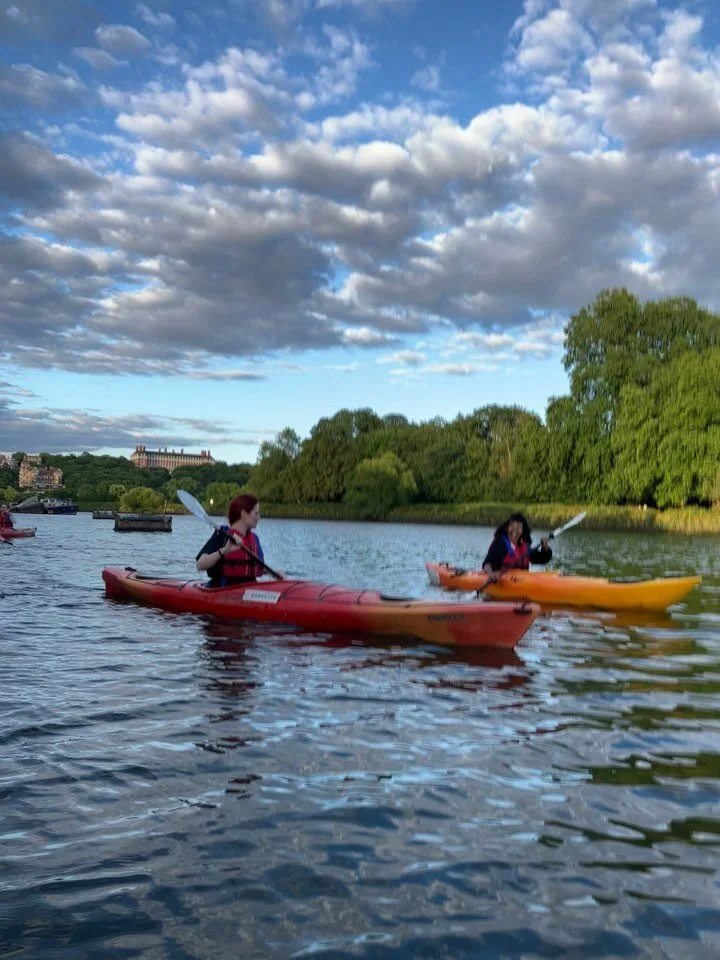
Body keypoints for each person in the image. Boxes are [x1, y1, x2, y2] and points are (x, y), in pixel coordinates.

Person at [196, 493, 267, 587]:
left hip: (250, 589)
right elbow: (200, 565)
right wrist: (224, 550)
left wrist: (275, 573)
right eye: (256, 513)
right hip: (223, 589)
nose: (259, 517)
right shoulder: (222, 535)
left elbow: (256, 566)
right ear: (244, 514)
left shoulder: (254, 539)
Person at [482, 512, 552, 582]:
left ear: (522, 531)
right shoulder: (500, 544)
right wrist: (490, 574)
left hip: (521, 583)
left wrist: (545, 547)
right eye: (512, 526)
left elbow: (543, 559)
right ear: (507, 528)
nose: (515, 530)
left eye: (519, 527)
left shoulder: (524, 546)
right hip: (500, 582)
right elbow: (487, 563)